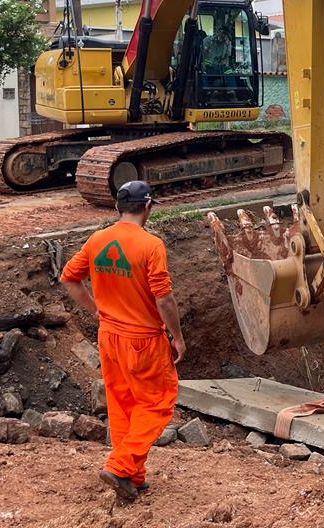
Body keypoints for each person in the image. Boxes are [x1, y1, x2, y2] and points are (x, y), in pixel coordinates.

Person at [60, 180, 186, 501]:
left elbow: (69, 278)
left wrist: (98, 311)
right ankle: (119, 465)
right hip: (143, 340)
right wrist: (177, 336)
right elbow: (164, 299)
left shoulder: (97, 240)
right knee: (158, 402)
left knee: (122, 406)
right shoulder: (151, 245)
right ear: (147, 207)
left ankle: (133, 474)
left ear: (118, 207)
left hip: (109, 337)